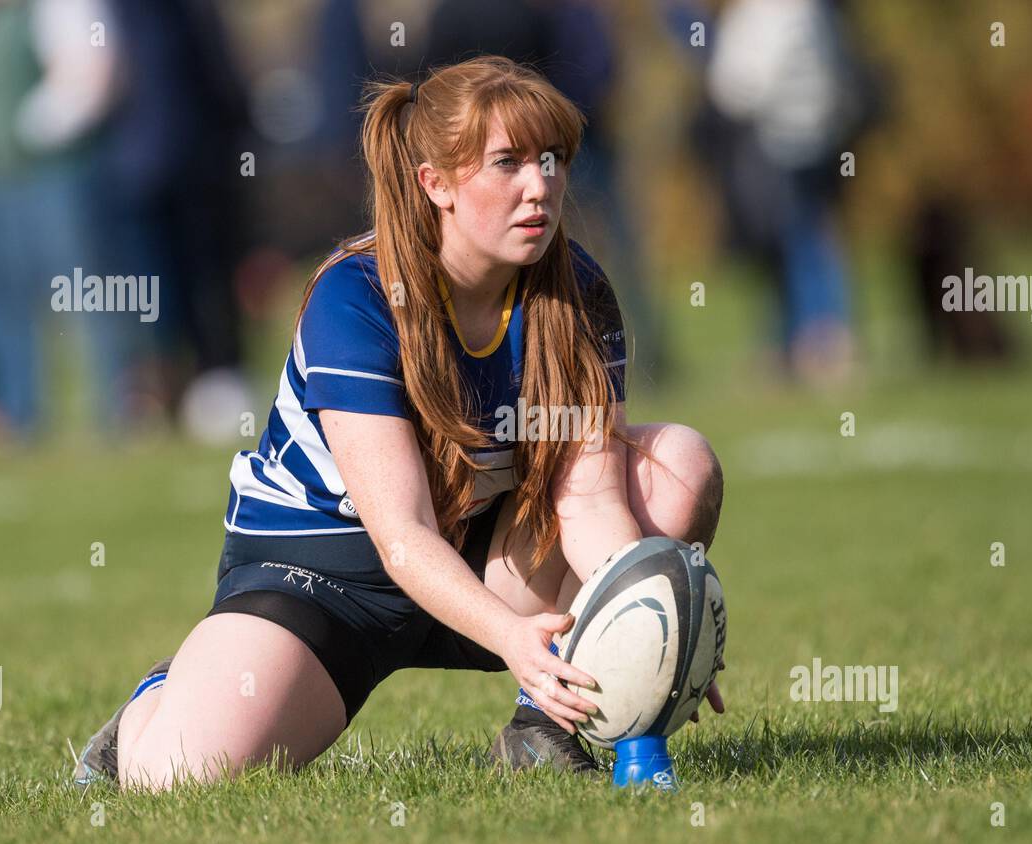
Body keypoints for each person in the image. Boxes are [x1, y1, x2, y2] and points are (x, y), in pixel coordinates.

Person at [72, 56, 724, 792]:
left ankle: (542, 728)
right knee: (179, 778)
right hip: (325, 576)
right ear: (435, 183)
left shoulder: (578, 290)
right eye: (507, 163)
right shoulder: (356, 296)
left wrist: (656, 616)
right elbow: (402, 536)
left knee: (678, 466)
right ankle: (162, 703)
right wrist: (512, 637)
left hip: (485, 552)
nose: (539, 186)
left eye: (552, 160)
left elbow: (593, 501)